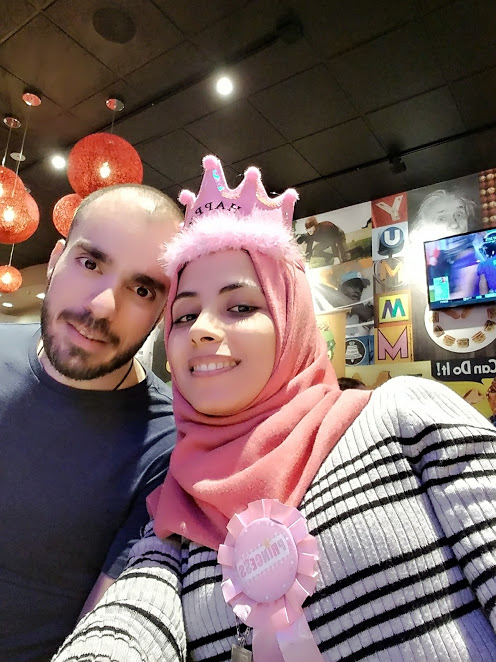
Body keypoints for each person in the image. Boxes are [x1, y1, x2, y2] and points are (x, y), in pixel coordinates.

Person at [53, 157, 496, 662]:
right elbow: (125, 629)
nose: (201, 329)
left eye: (240, 306)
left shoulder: (405, 415)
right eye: (185, 313)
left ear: (293, 321)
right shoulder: (176, 509)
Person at [0, 184, 182, 662]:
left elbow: (101, 627)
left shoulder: (165, 447)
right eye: (91, 263)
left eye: (142, 289)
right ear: (57, 258)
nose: (102, 307)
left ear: (161, 313)